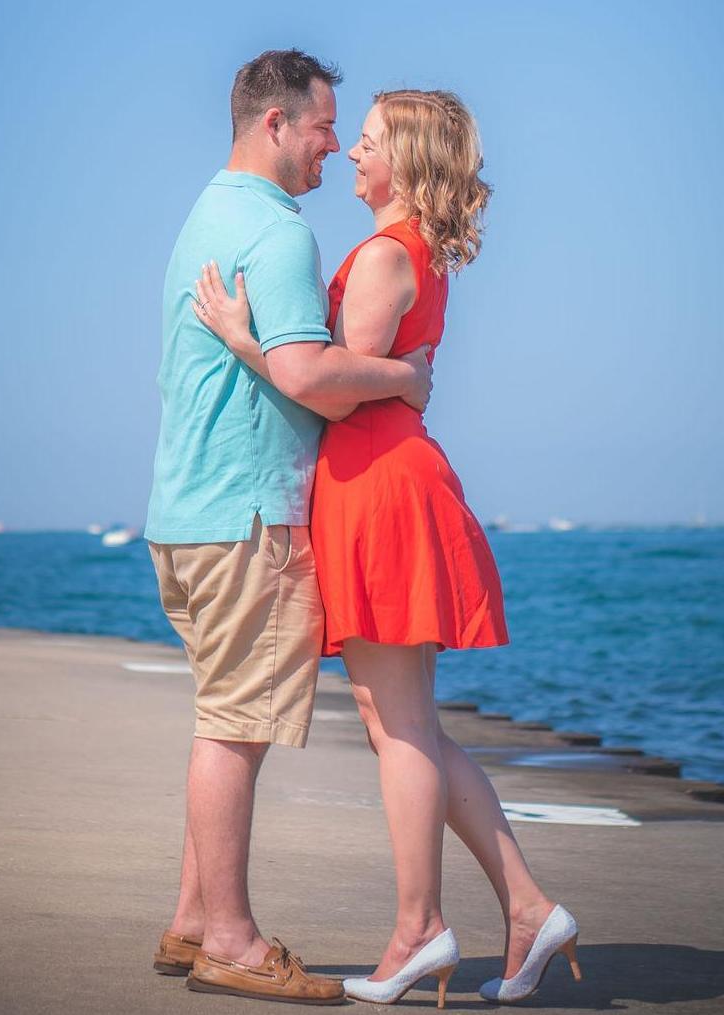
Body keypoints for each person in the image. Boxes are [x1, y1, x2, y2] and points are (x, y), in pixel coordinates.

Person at [194, 89, 580, 1007]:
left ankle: (419, 929)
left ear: (404, 165)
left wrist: (245, 340)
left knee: (396, 727)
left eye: (365, 143)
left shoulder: (379, 257)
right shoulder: (411, 253)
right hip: (386, 479)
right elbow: (374, 381)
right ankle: (527, 909)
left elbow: (331, 393)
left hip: (377, 486)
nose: (351, 154)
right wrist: (404, 375)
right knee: (411, 726)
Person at [144, 51, 433, 1006]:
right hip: (249, 513)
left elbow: (273, 362)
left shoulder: (206, 210)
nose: (333, 147)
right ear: (275, 124)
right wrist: (403, 377)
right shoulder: (277, 232)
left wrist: (247, 343)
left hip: (187, 510)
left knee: (225, 717)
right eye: (321, 127)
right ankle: (229, 935)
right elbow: (311, 377)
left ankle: (194, 916)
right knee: (235, 728)